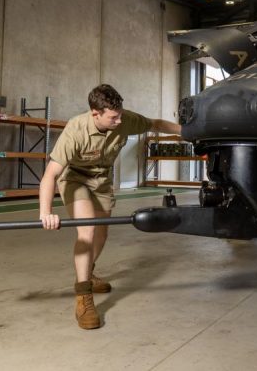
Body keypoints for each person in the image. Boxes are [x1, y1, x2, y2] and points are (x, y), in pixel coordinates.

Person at [38, 84, 181, 329]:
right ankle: (84, 296)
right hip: (74, 178)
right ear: (95, 113)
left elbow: (156, 123)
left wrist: (188, 131)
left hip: (101, 180)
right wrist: (45, 212)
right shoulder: (76, 130)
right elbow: (50, 175)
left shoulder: (123, 120)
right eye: (113, 117)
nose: (119, 120)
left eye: (120, 115)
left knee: (101, 234)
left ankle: (88, 272)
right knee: (88, 230)